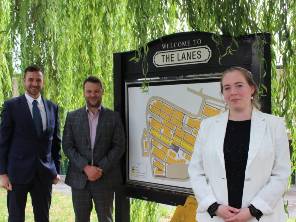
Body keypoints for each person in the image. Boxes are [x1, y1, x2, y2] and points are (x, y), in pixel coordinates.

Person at [188, 66, 291, 222]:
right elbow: (196, 170)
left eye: (239, 85)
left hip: (259, 217)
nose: (233, 92)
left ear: (252, 89)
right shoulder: (207, 126)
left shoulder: (274, 125)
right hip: (217, 217)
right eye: (227, 88)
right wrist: (214, 206)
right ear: (223, 94)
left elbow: (281, 174)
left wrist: (254, 209)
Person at [0, 65, 61, 222]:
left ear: (43, 82)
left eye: (38, 80)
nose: (34, 83)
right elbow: (3, 141)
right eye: (31, 79)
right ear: (24, 81)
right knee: (16, 217)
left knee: (43, 217)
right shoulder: (11, 106)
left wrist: (56, 170)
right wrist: (2, 173)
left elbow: (55, 141)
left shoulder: (52, 107)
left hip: (44, 174)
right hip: (17, 174)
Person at [63, 76, 125, 222]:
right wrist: (85, 167)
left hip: (105, 179)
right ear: (84, 92)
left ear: (102, 92)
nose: (93, 95)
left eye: (96, 91)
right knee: (81, 219)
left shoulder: (113, 117)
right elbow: (67, 146)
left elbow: (119, 146)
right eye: (89, 91)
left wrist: (100, 168)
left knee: (106, 219)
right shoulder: (72, 117)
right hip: (79, 179)